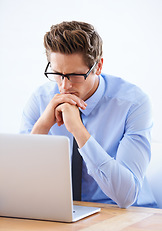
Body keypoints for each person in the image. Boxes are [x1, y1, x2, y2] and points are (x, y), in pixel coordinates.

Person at [20, 21, 157, 208]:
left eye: (75, 75)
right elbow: (18, 183)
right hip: (62, 211)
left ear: (98, 67)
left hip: (127, 214)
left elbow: (126, 196)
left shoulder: (133, 104)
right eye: (58, 74)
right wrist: (42, 126)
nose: (64, 86)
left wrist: (78, 130)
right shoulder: (40, 99)